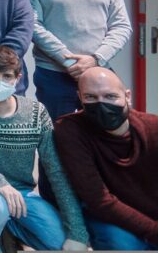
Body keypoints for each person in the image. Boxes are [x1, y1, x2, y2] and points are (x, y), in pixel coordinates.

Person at [0, 46, 88, 251]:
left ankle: (10, 230)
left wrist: (77, 233)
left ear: (17, 78)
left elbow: (55, 170)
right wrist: (0, 183)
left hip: (22, 193)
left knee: (58, 242)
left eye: (7, 76)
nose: (0, 82)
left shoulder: (36, 113)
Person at [55, 68, 158, 250]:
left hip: (151, 212)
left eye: (110, 96)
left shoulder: (153, 127)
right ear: (80, 98)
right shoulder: (70, 129)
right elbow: (99, 200)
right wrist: (154, 232)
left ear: (127, 96)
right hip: (109, 216)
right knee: (121, 246)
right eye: (91, 97)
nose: (101, 104)